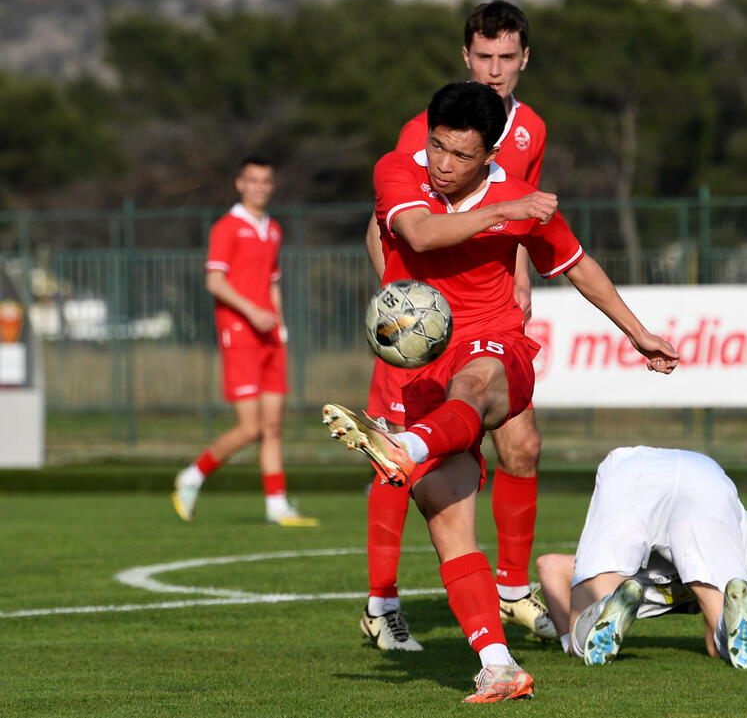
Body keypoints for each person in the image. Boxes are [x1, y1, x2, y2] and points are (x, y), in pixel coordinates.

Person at [323, 81, 678, 702]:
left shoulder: (516, 197)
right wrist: (500, 216)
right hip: (422, 367)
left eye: (460, 156)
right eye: (436, 147)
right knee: (447, 515)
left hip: (495, 344)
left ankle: (406, 444)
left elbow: (578, 265)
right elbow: (424, 234)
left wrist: (638, 332)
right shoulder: (397, 171)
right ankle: (497, 662)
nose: (442, 163)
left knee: (478, 382)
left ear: (489, 155)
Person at [360, 0, 552, 653]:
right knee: (398, 447)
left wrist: (521, 269)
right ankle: (381, 602)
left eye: (507, 58)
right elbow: (387, 223)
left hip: (494, 311)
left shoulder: (531, 131)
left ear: (524, 59)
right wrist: (403, 306)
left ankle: (513, 588)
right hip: (424, 320)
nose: (495, 70)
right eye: (483, 57)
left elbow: (516, 213)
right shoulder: (432, 127)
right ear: (465, 57)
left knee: (521, 443)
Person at [534, 446, 747, 668]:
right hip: (700, 491)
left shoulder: (746, 539)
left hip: (655, 472)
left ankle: (601, 613)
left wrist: (565, 638)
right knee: (579, 644)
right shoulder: (740, 556)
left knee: (585, 627)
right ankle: (582, 635)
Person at [172, 156, 318, 527]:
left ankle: (277, 506)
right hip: (239, 334)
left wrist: (280, 328)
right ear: (240, 183)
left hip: (270, 339)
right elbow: (214, 282)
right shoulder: (227, 227)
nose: (260, 187)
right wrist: (252, 312)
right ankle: (192, 475)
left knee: (272, 427)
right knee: (250, 428)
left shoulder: (272, 229)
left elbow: (272, 282)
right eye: (253, 181)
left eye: (266, 181)